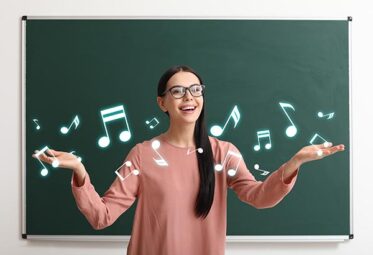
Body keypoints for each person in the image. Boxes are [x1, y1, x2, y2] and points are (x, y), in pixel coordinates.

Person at [33, 65, 345, 255]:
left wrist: (294, 163)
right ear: (162, 103)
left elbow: (259, 196)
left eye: (195, 90)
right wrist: (79, 170)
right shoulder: (142, 154)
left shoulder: (224, 152)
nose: (189, 98)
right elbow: (102, 216)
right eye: (178, 91)